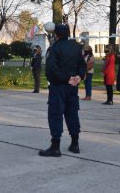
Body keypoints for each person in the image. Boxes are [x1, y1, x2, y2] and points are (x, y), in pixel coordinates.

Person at [39, 24, 87, 157]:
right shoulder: (76, 47)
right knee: (72, 113)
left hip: (59, 86)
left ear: (56, 34)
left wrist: (67, 78)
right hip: (72, 87)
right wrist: (78, 76)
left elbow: (51, 70)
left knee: (55, 114)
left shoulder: (54, 48)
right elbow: (82, 65)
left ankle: (55, 147)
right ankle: (75, 144)